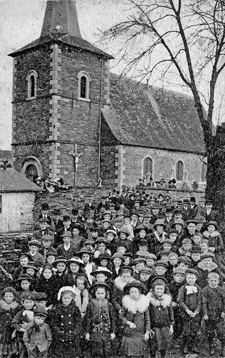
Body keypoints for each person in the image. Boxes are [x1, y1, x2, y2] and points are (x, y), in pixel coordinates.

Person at [85, 282, 116, 358]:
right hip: (95, 332)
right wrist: (87, 332)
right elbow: (88, 319)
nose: (100, 295)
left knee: (107, 350)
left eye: (102, 293)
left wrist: (113, 332)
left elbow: (113, 319)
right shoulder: (91, 304)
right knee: (96, 350)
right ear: (94, 293)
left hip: (106, 331)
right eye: (98, 293)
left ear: (106, 294)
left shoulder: (109, 305)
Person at [120, 281, 150, 358]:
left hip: (140, 333)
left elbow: (147, 320)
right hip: (129, 332)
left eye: (135, 292)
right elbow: (121, 316)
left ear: (139, 292)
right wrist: (128, 322)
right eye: (131, 292)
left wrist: (147, 332)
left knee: (140, 353)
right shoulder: (126, 303)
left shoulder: (144, 304)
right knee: (129, 353)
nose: (133, 294)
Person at [51, 286, 82, 358]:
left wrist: (74, 332)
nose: (67, 300)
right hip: (60, 336)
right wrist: (59, 332)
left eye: (69, 298)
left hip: (73, 336)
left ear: (72, 298)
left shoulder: (75, 308)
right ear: (61, 298)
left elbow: (78, 322)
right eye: (65, 298)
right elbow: (54, 323)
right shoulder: (56, 309)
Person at [148, 277, 174, 358]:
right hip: (154, 326)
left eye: (161, 289)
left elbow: (171, 312)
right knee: (153, 344)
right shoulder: (149, 299)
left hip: (165, 325)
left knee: (164, 344)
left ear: (164, 289)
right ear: (153, 289)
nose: (159, 291)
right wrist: (148, 328)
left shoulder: (167, 299)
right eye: (157, 289)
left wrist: (171, 325)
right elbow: (147, 314)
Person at [177, 268, 201, 354]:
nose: (190, 280)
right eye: (189, 278)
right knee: (186, 331)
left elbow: (200, 301)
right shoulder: (183, 288)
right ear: (186, 278)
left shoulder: (198, 288)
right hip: (185, 313)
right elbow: (180, 300)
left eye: (192, 278)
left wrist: (196, 312)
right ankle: (185, 346)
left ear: (196, 279)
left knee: (194, 330)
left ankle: (193, 346)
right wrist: (187, 310)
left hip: (195, 314)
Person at [202, 272, 225, 356]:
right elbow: (204, 303)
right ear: (208, 281)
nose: (213, 282)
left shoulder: (221, 290)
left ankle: (223, 348)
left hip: (219, 315)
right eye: (211, 280)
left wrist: (223, 312)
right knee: (210, 332)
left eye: (215, 281)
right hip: (210, 315)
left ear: (218, 281)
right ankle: (211, 346)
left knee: (221, 332)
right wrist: (205, 314)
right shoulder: (205, 290)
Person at [11, 292, 35, 358]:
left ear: (33, 303)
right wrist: (21, 329)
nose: (29, 304)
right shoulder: (20, 313)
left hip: (34, 338)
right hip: (22, 338)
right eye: (26, 302)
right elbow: (14, 323)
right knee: (22, 353)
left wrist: (29, 325)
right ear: (23, 303)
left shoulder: (37, 312)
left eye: (30, 302)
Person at [0, 287, 19, 358]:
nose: (8, 298)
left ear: (14, 297)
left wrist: (15, 331)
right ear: (3, 297)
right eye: (6, 296)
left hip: (12, 330)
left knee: (12, 350)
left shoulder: (17, 307)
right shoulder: (1, 306)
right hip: (2, 330)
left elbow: (18, 320)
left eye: (10, 296)